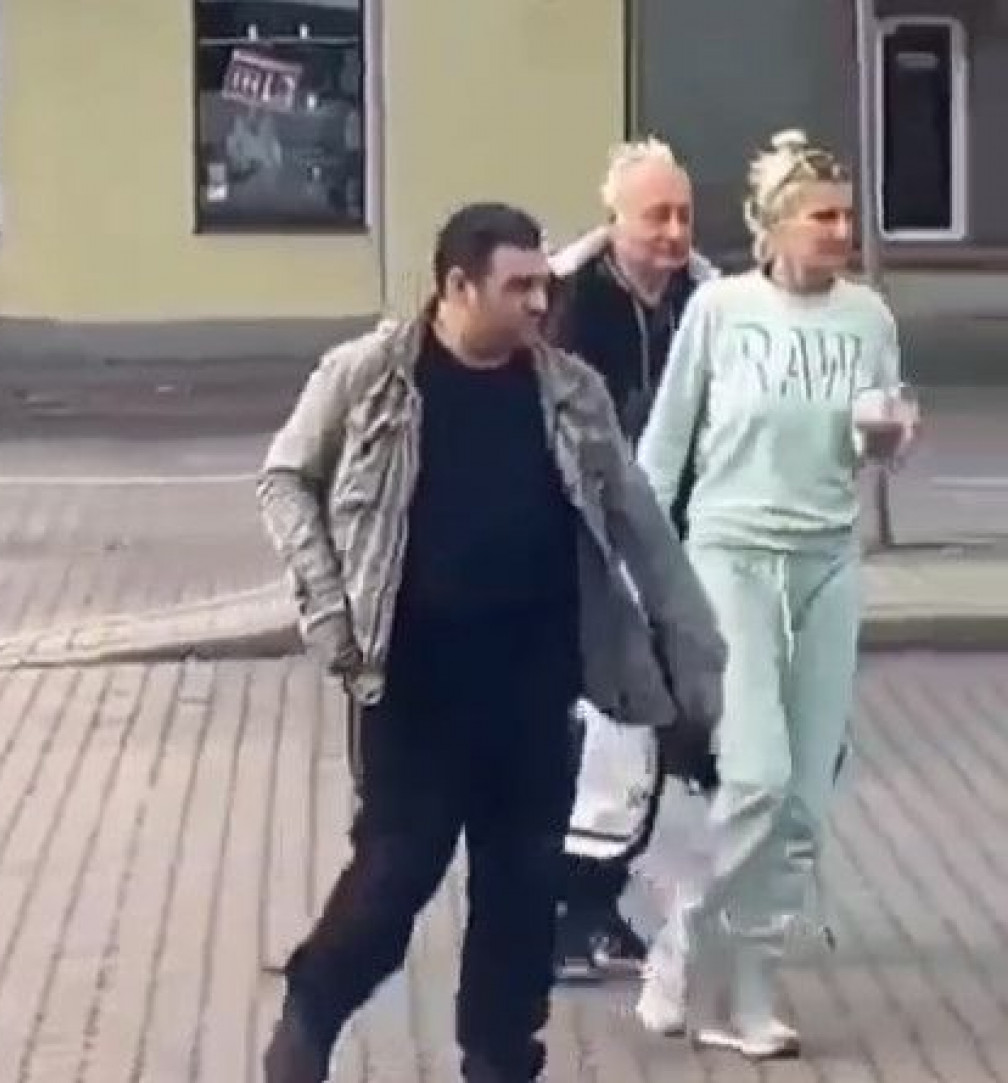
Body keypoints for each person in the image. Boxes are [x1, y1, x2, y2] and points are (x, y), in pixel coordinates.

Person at [256, 201, 726, 1083]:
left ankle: (500, 1061)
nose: (540, 303)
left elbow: (641, 527)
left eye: (544, 284)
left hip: (535, 689)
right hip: (416, 689)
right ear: (457, 286)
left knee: (520, 894)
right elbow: (285, 477)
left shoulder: (569, 391)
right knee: (393, 879)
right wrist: (328, 610)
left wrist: (694, 663)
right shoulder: (370, 376)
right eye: (519, 287)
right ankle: (311, 1013)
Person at [633, 130, 920, 1059]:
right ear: (775, 225)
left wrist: (889, 439)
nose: (841, 230)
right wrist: (647, 575)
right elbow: (664, 445)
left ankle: (747, 988)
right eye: (822, 215)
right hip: (730, 555)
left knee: (801, 800)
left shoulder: (868, 317)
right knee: (754, 776)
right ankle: (687, 949)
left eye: (848, 216)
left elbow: (879, 435)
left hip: (827, 561)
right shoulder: (721, 310)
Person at [544, 137, 719, 980]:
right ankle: (569, 912)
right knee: (613, 733)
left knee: (656, 728)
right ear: (615, 219)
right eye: (657, 216)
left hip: (677, 537)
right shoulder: (567, 299)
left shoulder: (711, 298)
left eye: (684, 214)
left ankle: (595, 905)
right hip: (588, 536)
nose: (674, 232)